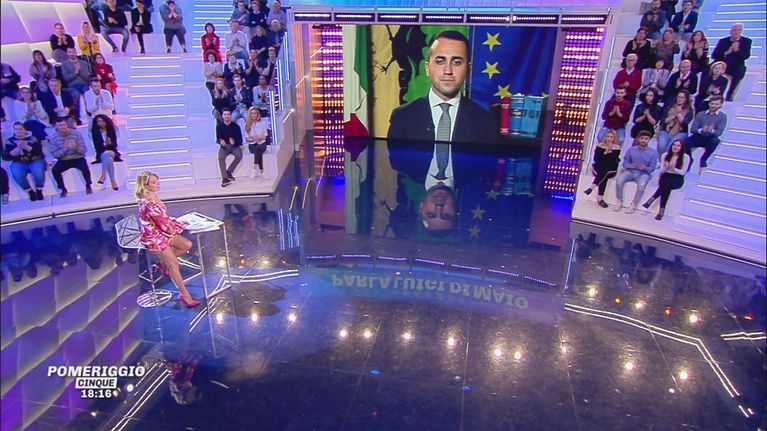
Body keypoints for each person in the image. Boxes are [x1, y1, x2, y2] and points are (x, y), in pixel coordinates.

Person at [387, 30, 501, 147]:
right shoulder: (402, 116)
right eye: (440, 61)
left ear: (468, 69)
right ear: (427, 68)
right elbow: (396, 158)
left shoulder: (485, 121)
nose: (448, 71)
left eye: (456, 62)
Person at [134, 171, 199, 308]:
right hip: (154, 237)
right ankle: (185, 295)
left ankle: (163, 262)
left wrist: (177, 222)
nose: (157, 184)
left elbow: (164, 218)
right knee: (174, 264)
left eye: (157, 181)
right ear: (145, 185)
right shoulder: (148, 204)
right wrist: (180, 226)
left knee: (187, 245)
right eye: (153, 182)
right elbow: (163, 224)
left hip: (162, 231)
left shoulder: (153, 195)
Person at [643, 139, 690, 220]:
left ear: (682, 148)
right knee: (666, 186)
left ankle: (653, 198)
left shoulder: (686, 157)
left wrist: (673, 169)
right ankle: (661, 212)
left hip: (677, 178)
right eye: (674, 145)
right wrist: (666, 167)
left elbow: (683, 172)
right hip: (666, 175)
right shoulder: (665, 155)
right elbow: (661, 170)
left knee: (666, 185)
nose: (675, 147)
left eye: (678, 146)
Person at [613, 131, 659, 214]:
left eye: (646, 139)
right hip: (630, 171)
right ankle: (619, 200)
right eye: (642, 138)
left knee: (641, 186)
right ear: (638, 139)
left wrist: (646, 168)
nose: (643, 140)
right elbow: (625, 162)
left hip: (643, 173)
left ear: (649, 140)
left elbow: (652, 167)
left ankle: (634, 204)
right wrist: (629, 166)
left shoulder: (653, 153)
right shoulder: (631, 150)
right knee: (619, 181)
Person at [48, 117, 93, 197]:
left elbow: (84, 150)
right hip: (64, 159)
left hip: (77, 158)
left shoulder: (76, 134)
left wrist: (75, 148)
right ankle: (63, 189)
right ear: (56, 127)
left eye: (64, 124)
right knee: (55, 170)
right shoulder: (53, 138)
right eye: (60, 125)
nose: (63, 127)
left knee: (84, 167)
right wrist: (65, 149)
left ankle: (88, 185)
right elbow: (55, 155)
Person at [2, 122, 46, 201]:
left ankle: (39, 190)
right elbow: (8, 156)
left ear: (25, 130)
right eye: (16, 129)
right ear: (13, 130)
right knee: (17, 173)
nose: (18, 131)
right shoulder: (10, 141)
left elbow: (38, 152)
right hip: (19, 162)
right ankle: (30, 191)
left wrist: (26, 147)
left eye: (20, 129)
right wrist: (18, 148)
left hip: (35, 160)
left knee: (38, 170)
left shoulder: (33, 139)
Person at [685, 95, 727, 173]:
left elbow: (719, 132)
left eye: (716, 104)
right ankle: (689, 159)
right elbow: (693, 129)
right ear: (709, 103)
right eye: (712, 103)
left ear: (721, 105)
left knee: (715, 141)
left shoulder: (723, 117)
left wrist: (711, 130)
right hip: (699, 136)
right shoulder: (700, 114)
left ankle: (704, 159)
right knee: (685, 142)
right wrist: (701, 130)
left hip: (711, 137)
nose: (713, 106)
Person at [712, 23, 752, 101]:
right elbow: (714, 55)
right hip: (723, 64)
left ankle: (730, 95)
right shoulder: (723, 41)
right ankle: (712, 92)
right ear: (730, 31)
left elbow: (746, 56)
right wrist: (727, 52)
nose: (736, 32)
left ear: (741, 31)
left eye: (739, 30)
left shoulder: (746, 41)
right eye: (734, 30)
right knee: (710, 67)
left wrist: (737, 50)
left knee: (741, 70)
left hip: (736, 66)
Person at [583, 129, 621, 208]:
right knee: (604, 175)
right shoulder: (599, 146)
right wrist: (606, 151)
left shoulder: (617, 148)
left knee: (605, 171)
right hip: (599, 167)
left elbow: (612, 161)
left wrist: (610, 150)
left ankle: (592, 187)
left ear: (614, 138)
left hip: (611, 169)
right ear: (605, 137)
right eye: (608, 136)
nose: (609, 139)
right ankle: (600, 198)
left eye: (611, 137)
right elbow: (597, 159)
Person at [90, 114, 122, 190]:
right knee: (108, 158)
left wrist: (109, 144)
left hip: (112, 152)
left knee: (107, 154)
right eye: (99, 121)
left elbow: (115, 146)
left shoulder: (111, 130)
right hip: (101, 153)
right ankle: (113, 181)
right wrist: (104, 145)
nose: (101, 123)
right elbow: (96, 147)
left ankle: (103, 175)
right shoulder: (95, 133)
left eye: (103, 121)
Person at [657, 90, 693, 155]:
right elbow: (663, 121)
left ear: (686, 99)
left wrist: (679, 113)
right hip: (666, 130)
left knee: (671, 145)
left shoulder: (689, 110)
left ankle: (667, 158)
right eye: (678, 97)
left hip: (681, 132)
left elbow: (684, 123)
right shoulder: (670, 107)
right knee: (661, 144)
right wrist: (671, 117)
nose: (679, 99)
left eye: (682, 97)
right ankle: (662, 159)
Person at [216, 108, 243, 187]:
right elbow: (218, 139)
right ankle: (224, 179)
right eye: (225, 114)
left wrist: (234, 142)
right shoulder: (219, 126)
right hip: (224, 146)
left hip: (234, 146)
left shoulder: (236, 127)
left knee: (239, 155)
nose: (226, 116)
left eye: (228, 114)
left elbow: (240, 140)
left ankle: (228, 172)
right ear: (222, 116)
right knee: (221, 157)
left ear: (230, 116)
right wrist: (221, 142)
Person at [242, 106, 270, 179]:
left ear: (258, 114)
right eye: (252, 113)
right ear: (250, 115)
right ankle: (262, 171)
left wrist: (259, 138)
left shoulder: (262, 123)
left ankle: (254, 168)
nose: (253, 115)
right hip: (252, 145)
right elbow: (246, 138)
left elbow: (265, 136)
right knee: (257, 149)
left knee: (259, 148)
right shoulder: (246, 125)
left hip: (262, 143)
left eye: (255, 113)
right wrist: (253, 139)